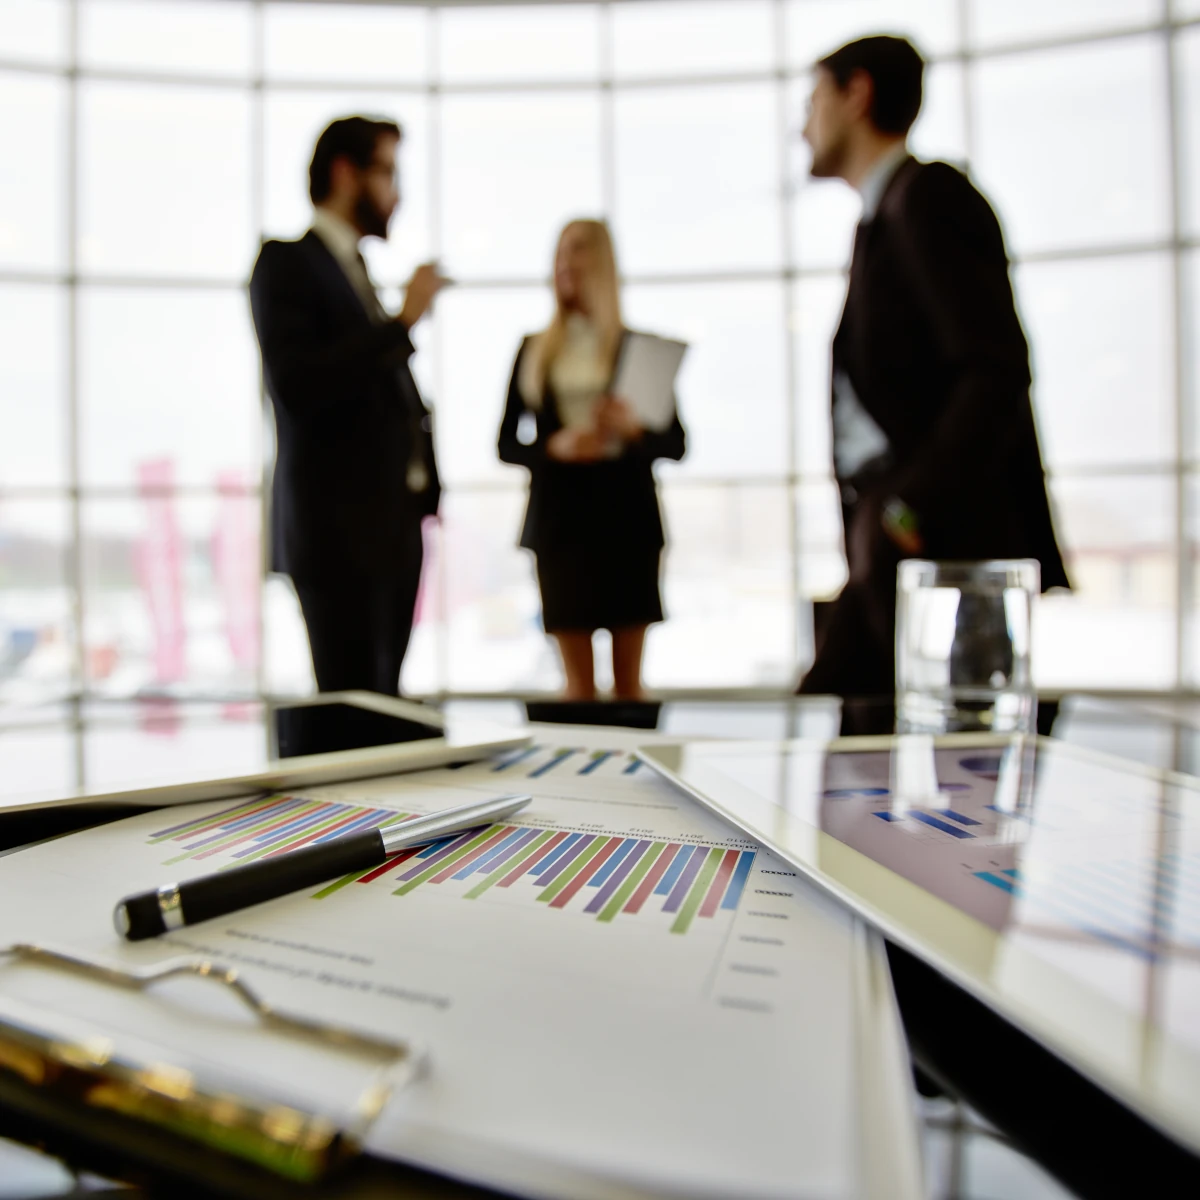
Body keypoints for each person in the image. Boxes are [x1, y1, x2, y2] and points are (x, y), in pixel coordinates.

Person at [796, 36, 1069, 697]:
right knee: (855, 733)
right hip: (896, 536)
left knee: (944, 761)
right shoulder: (882, 219)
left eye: (813, 99)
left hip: (935, 544)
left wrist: (907, 509)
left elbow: (995, 370)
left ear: (856, 94)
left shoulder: (929, 198)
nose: (802, 124)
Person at [249, 116, 446, 696]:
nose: (397, 192)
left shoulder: (354, 270)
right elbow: (299, 382)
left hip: (391, 529)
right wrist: (402, 322)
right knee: (355, 715)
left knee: (385, 705)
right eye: (386, 172)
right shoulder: (286, 263)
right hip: (337, 536)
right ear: (344, 173)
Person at [498, 220, 686, 701]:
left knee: (629, 688)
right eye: (560, 252)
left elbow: (676, 443)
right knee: (577, 689)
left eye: (578, 250)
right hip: (562, 524)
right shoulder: (534, 349)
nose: (565, 263)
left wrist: (634, 430)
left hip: (627, 520)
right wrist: (554, 448)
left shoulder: (637, 348)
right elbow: (506, 444)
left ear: (601, 262)